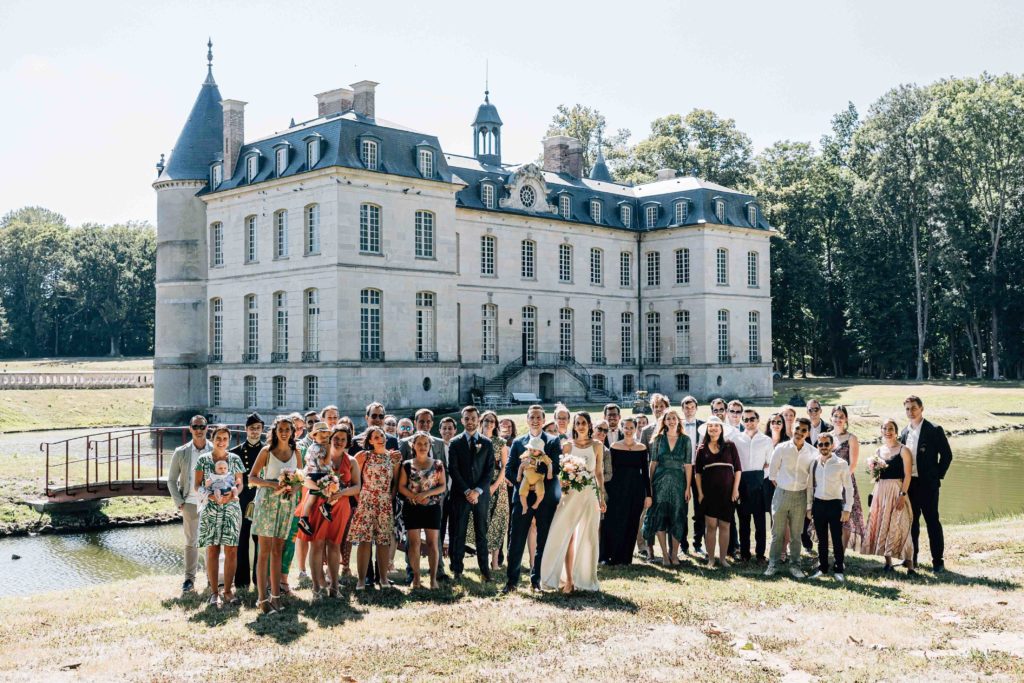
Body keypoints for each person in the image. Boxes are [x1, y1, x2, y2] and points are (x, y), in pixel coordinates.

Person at [540, 412, 605, 592]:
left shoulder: (597, 445)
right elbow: (562, 474)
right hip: (570, 494)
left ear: (589, 425)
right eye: (578, 423)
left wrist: (602, 496)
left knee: (589, 536)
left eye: (584, 422)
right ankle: (567, 579)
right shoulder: (567, 446)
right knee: (566, 534)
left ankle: (585, 579)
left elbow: (599, 473)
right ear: (574, 426)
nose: (581, 426)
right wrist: (564, 485)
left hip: (590, 494)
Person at [502, 405, 562, 594]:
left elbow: (556, 467)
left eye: (538, 417)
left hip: (545, 497)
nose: (535, 421)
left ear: (544, 420)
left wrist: (538, 474)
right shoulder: (518, 442)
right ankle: (511, 581)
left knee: (542, 539)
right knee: (516, 538)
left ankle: (536, 580)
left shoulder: (553, 441)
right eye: (532, 417)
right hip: (523, 496)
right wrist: (522, 482)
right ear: (527, 420)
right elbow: (509, 470)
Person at [248, 416, 302, 614]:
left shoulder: (296, 452)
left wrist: (294, 488)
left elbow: (300, 479)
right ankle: (262, 599)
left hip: (286, 504)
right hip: (267, 502)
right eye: (281, 429)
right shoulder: (266, 451)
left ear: (293, 431)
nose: (284, 432)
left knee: (278, 549)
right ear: (275, 431)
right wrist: (272, 484)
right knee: (264, 551)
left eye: (288, 429)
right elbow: (252, 478)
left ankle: (276, 597)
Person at [192, 425, 245, 607]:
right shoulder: (203, 460)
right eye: (218, 438)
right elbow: (196, 485)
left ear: (228, 441)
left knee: (231, 550)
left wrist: (233, 494)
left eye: (225, 439)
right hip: (210, 509)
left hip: (231, 509)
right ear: (212, 439)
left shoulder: (235, 459)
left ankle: (228, 591)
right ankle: (214, 593)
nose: (221, 442)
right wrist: (209, 495)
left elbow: (240, 484)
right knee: (212, 549)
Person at [305, 426, 360, 598]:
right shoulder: (319, 453)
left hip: (340, 505)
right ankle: (316, 587)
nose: (339, 442)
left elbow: (357, 487)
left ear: (347, 441)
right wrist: (322, 488)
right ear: (330, 438)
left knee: (334, 544)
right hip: (318, 503)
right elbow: (305, 479)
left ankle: (334, 587)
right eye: (336, 438)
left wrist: (341, 492)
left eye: (343, 439)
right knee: (316, 544)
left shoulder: (351, 461)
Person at [901, 395, 953, 572]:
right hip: (911, 485)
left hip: (928, 485)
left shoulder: (934, 430)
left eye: (914, 408)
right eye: (907, 409)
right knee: (912, 522)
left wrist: (936, 476)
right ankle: (912, 559)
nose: (911, 412)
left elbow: (947, 456)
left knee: (932, 521)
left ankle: (937, 561)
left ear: (921, 409)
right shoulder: (904, 432)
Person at [447, 405, 494, 582]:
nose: (470, 421)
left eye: (473, 418)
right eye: (466, 418)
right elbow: (453, 469)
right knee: (458, 532)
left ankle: (485, 571)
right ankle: (457, 569)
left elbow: (489, 470)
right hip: (461, 494)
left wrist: (478, 491)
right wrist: (467, 490)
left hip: (481, 496)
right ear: (462, 420)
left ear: (478, 419)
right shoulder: (455, 442)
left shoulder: (487, 443)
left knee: (481, 533)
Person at [765, 417, 816, 578]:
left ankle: (795, 566)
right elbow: (772, 474)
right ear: (792, 429)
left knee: (796, 535)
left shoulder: (812, 452)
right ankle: (773, 564)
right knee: (777, 533)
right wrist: (784, 487)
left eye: (803, 430)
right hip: (781, 493)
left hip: (800, 496)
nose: (799, 432)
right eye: (797, 428)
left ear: (808, 433)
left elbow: (812, 479)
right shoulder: (781, 448)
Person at [349, 426, 399, 589]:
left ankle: (383, 579)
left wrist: (390, 497)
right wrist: (359, 498)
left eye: (382, 436)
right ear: (370, 441)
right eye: (376, 437)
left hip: (384, 502)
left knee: (383, 541)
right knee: (364, 541)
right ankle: (361, 580)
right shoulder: (363, 456)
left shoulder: (393, 457)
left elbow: (396, 482)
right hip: (366, 501)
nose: (380, 439)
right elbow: (353, 478)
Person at [864, 420, 916, 575]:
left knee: (901, 525)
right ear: (881, 431)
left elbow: (908, 475)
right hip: (880, 491)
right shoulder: (878, 451)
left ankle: (910, 565)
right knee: (882, 524)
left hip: (896, 490)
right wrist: (873, 493)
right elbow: (876, 477)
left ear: (896, 431)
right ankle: (888, 562)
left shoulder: (903, 450)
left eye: (891, 428)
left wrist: (902, 495)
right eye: (885, 428)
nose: (888, 431)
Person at [397, 431, 448, 588]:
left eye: (426, 443)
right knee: (414, 544)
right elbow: (401, 487)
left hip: (432, 508)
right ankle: (416, 577)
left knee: (433, 544)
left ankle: (433, 579)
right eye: (419, 443)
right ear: (413, 445)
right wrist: (415, 496)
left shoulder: (438, 464)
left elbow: (442, 486)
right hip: (412, 508)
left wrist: (426, 494)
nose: (423, 446)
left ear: (430, 446)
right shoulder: (406, 465)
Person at [167, 415, 211, 593]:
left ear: (207, 428)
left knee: (211, 541)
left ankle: (212, 578)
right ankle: (189, 579)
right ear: (190, 428)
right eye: (196, 427)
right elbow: (171, 480)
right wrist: (180, 502)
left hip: (210, 502)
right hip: (190, 502)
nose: (199, 430)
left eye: (202, 427)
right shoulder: (181, 452)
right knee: (191, 542)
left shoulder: (215, 450)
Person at [642, 410, 692, 566]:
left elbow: (688, 465)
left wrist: (688, 487)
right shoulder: (658, 439)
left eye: (674, 418)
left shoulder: (686, 440)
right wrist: (649, 486)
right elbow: (653, 463)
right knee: (659, 516)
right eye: (668, 418)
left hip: (679, 483)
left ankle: (674, 555)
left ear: (678, 420)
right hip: (659, 482)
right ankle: (664, 555)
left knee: (678, 515)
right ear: (664, 421)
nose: (671, 421)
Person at [602, 416, 651, 565]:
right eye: (626, 427)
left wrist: (648, 495)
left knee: (632, 521)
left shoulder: (641, 448)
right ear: (622, 429)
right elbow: (610, 470)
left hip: (636, 489)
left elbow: (645, 473)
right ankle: (611, 555)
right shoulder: (615, 446)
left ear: (636, 429)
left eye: (631, 428)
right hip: (617, 489)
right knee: (616, 520)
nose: (629, 430)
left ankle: (626, 557)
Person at [694, 418, 741, 569]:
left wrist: (735, 489)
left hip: (727, 492)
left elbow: (738, 470)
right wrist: (700, 493)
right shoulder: (701, 449)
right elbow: (697, 473)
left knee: (725, 525)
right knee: (711, 526)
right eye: (710, 426)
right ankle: (711, 559)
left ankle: (722, 559)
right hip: (709, 493)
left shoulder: (730, 446)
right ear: (707, 429)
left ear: (721, 429)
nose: (713, 428)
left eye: (716, 426)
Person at [806, 433, 852, 581]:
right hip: (819, 504)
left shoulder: (841, 463)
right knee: (822, 540)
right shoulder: (814, 463)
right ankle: (823, 568)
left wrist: (847, 508)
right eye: (821, 444)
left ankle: (839, 569)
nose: (824, 447)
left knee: (837, 539)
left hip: (835, 504)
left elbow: (849, 487)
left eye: (826, 444)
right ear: (817, 446)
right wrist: (809, 507)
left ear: (832, 445)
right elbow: (809, 487)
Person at [231, 412, 264, 591]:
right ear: (246, 429)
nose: (255, 432)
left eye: (258, 428)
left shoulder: (268, 451)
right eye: (252, 428)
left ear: (262, 430)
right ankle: (242, 581)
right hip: (242, 500)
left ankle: (259, 579)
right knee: (242, 540)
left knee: (260, 540)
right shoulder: (235, 453)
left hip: (262, 499)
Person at [734, 409, 772, 562]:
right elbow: (735, 463)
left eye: (752, 419)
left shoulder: (766, 440)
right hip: (742, 483)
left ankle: (760, 554)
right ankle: (744, 554)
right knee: (743, 522)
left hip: (759, 484)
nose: (749, 422)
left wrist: (760, 476)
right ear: (742, 422)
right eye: (746, 420)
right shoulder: (737, 439)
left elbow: (770, 463)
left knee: (760, 522)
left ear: (758, 420)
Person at [829, 406, 865, 551]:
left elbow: (853, 465)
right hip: (828, 484)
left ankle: (841, 553)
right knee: (830, 516)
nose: (838, 419)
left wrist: (841, 482)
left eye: (841, 416)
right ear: (831, 418)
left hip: (846, 483)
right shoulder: (826, 437)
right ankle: (831, 548)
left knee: (846, 518)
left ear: (846, 419)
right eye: (836, 416)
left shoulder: (851, 438)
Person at [478, 410, 509, 572]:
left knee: (497, 521)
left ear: (495, 424)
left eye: (492, 421)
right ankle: (482, 560)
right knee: (481, 522)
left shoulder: (501, 442)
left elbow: (504, 466)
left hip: (497, 485)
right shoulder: (476, 440)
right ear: (481, 422)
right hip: (479, 484)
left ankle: (495, 562)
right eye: (486, 420)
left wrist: (495, 486)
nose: (489, 423)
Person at [680, 396, 704, 556]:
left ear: (696, 409)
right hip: (681, 470)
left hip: (698, 470)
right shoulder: (676, 425)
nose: (689, 410)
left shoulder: (703, 426)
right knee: (681, 508)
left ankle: (698, 544)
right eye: (686, 408)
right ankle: (683, 545)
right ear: (682, 409)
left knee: (699, 508)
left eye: (692, 407)